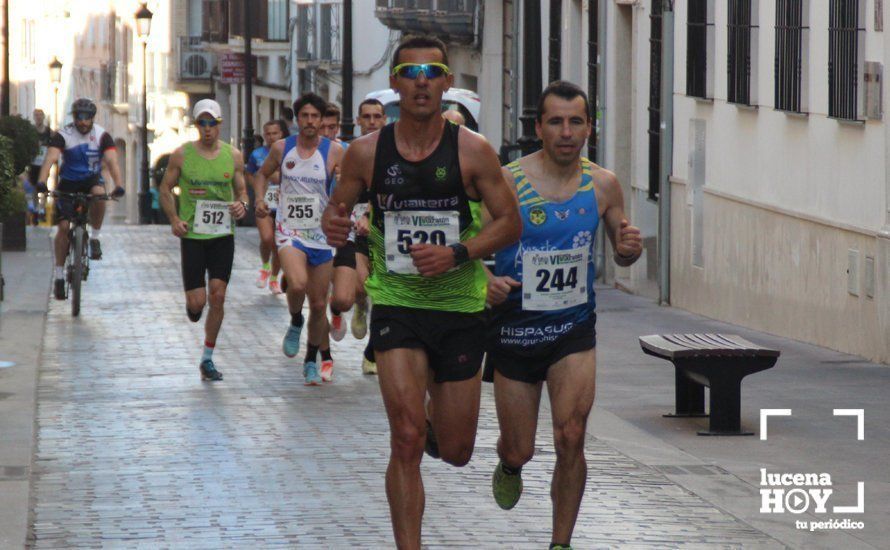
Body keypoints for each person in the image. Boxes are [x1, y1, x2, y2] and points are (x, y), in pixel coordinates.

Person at [322, 35, 521, 549]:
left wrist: (458, 253)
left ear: (447, 83)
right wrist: (334, 228)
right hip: (397, 304)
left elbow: (510, 223)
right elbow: (336, 210)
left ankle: (436, 418)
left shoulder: (473, 152)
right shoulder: (366, 153)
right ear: (394, 85)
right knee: (406, 438)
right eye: (411, 73)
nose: (422, 82)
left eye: (433, 71)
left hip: (458, 308)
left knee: (455, 451)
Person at [484, 81, 642, 550]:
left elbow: (623, 248)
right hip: (515, 329)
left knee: (571, 435)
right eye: (556, 121)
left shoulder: (604, 184)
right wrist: (482, 280)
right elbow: (468, 240)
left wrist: (630, 250)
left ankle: (560, 543)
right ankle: (509, 464)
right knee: (521, 447)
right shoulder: (507, 179)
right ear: (539, 128)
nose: (567, 132)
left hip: (573, 329)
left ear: (589, 127)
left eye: (576, 122)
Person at [255, 93, 345, 385]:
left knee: (319, 305)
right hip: (290, 229)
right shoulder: (283, 148)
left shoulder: (334, 151)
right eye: (304, 116)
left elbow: (348, 187)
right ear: (297, 120)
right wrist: (259, 198)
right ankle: (295, 319)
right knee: (297, 283)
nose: (309, 122)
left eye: (315, 117)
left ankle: (310, 359)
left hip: (322, 235)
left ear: (322, 120)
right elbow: (262, 174)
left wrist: (343, 186)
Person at [158, 99, 249, 382]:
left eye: (212, 123)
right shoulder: (181, 155)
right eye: (202, 123)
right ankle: (193, 307)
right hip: (194, 236)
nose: (207, 129)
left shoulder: (233, 156)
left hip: (222, 235)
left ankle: (207, 358)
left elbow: (242, 191)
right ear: (196, 125)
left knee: (218, 295)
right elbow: (165, 189)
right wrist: (174, 219)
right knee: (198, 303)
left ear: (219, 125)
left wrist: (242, 205)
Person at [37, 98, 125, 300]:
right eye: (79, 117)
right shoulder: (64, 135)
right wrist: (42, 181)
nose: (83, 122)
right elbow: (50, 158)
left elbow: (112, 161)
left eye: (87, 118)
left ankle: (94, 238)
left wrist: (119, 185)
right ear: (74, 117)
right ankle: (59, 277)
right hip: (68, 183)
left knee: (99, 194)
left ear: (93, 118)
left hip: (91, 180)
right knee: (64, 228)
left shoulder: (102, 135)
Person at [333, 98, 387, 374]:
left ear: (385, 120)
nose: (372, 122)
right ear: (358, 121)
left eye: (377, 116)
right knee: (360, 287)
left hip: (383, 227)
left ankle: (371, 354)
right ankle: (359, 304)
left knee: (384, 293)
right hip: (355, 227)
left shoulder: (394, 151)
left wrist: (371, 213)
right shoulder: (351, 152)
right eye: (367, 117)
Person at [247, 119, 289, 294]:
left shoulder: (288, 152)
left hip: (283, 205)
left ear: (282, 134)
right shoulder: (257, 154)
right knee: (266, 238)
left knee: (278, 245)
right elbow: (250, 174)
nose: (271, 137)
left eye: (275, 133)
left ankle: (274, 278)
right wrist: (259, 191)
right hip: (264, 203)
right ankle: (265, 267)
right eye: (268, 134)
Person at [26, 109, 52, 224]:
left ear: (43, 117)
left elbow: (53, 145)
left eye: (40, 115)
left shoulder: (48, 131)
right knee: (34, 187)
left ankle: (42, 208)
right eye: (36, 115)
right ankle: (36, 209)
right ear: (34, 117)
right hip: (33, 163)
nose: (38, 117)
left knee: (43, 186)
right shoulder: (31, 131)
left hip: (44, 164)